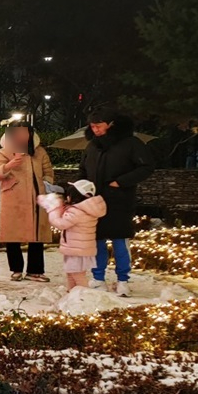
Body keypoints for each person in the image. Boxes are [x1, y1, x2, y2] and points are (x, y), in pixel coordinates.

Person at [78, 109, 156, 297]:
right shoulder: (92, 147)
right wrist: (80, 190)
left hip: (120, 201)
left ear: (111, 124)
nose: (94, 129)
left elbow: (147, 167)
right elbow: (83, 170)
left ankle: (123, 280)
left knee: (120, 241)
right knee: (97, 241)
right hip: (94, 201)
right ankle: (98, 278)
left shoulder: (131, 144)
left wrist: (120, 182)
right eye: (92, 126)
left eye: (98, 125)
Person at [0, 124, 55, 282]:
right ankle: (16, 269)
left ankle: (35, 270)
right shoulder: (4, 152)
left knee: (36, 236)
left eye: (25, 133)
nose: (21, 136)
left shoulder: (39, 152)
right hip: (14, 199)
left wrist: (45, 185)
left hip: (36, 199)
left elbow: (48, 172)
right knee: (13, 235)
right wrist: (8, 166)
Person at [37, 180, 107, 292]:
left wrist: (53, 209)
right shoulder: (85, 210)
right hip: (79, 248)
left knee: (77, 275)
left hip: (76, 249)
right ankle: (71, 294)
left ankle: (84, 296)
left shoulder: (76, 212)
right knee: (71, 273)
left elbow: (61, 223)